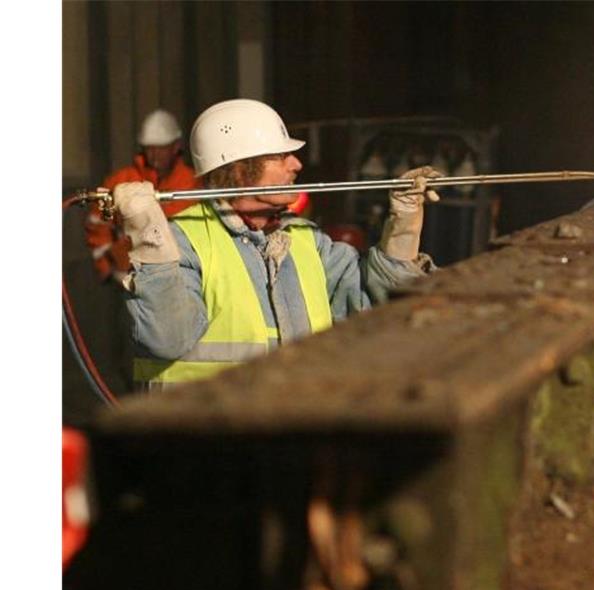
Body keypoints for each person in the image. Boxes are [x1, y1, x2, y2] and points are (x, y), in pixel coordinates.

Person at [112, 98, 440, 389]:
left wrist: (403, 229)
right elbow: (166, 339)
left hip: (293, 432)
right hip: (209, 441)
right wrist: (151, 242)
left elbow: (378, 307)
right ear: (238, 169)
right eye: (280, 156)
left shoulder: (307, 242)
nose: (296, 164)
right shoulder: (184, 242)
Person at [85, 109, 199, 286]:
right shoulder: (120, 181)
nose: (154, 154)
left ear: (175, 146)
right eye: (149, 148)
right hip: (128, 278)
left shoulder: (193, 184)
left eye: (161, 148)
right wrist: (109, 265)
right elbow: (97, 225)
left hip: (182, 278)